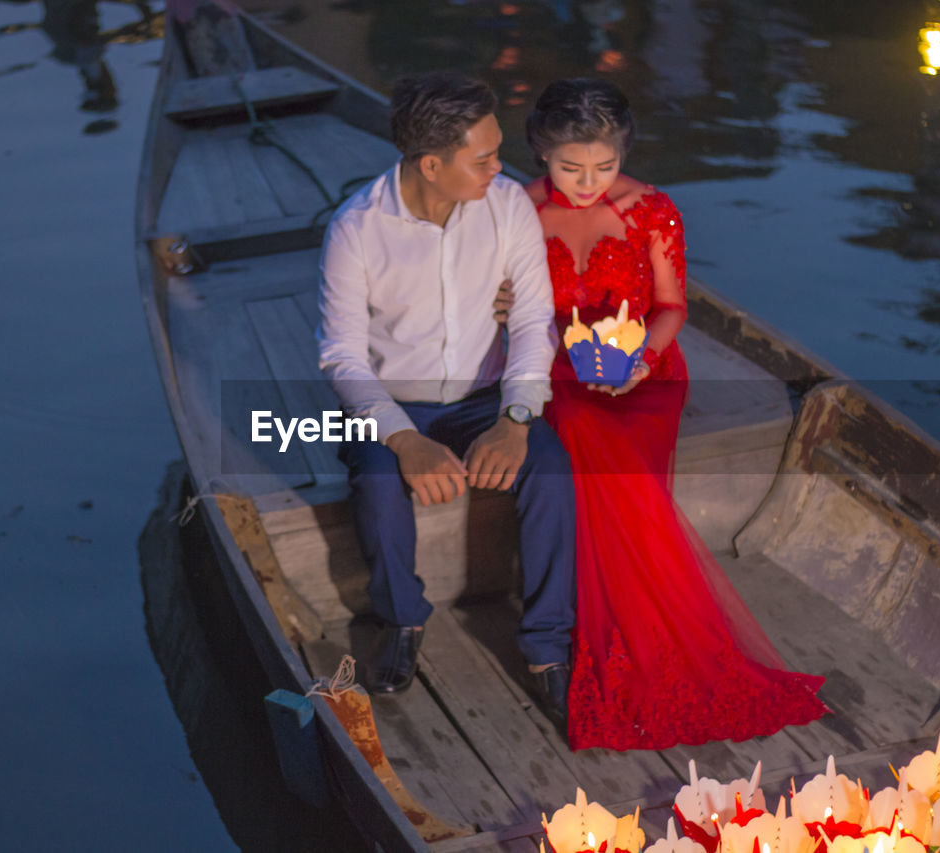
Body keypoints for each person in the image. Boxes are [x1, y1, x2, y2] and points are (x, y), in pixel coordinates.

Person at [496, 78, 828, 750]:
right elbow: (507, 303)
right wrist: (505, 309)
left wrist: (642, 360)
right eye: (569, 167)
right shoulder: (515, 210)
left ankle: (639, 625)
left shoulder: (653, 210)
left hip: (644, 371)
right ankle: (600, 620)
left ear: (623, 155)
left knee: (604, 440)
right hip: (559, 361)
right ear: (538, 151)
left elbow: (672, 307)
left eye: (604, 166)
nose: (588, 182)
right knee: (580, 427)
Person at [317, 72, 577, 721]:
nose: (500, 167)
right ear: (432, 164)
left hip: (484, 396)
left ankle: (548, 643)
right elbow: (342, 355)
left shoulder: (508, 205)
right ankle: (402, 620)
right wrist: (404, 440)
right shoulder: (355, 229)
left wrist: (516, 419)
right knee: (377, 479)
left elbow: (532, 319)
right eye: (483, 157)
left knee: (550, 465)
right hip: (393, 402)